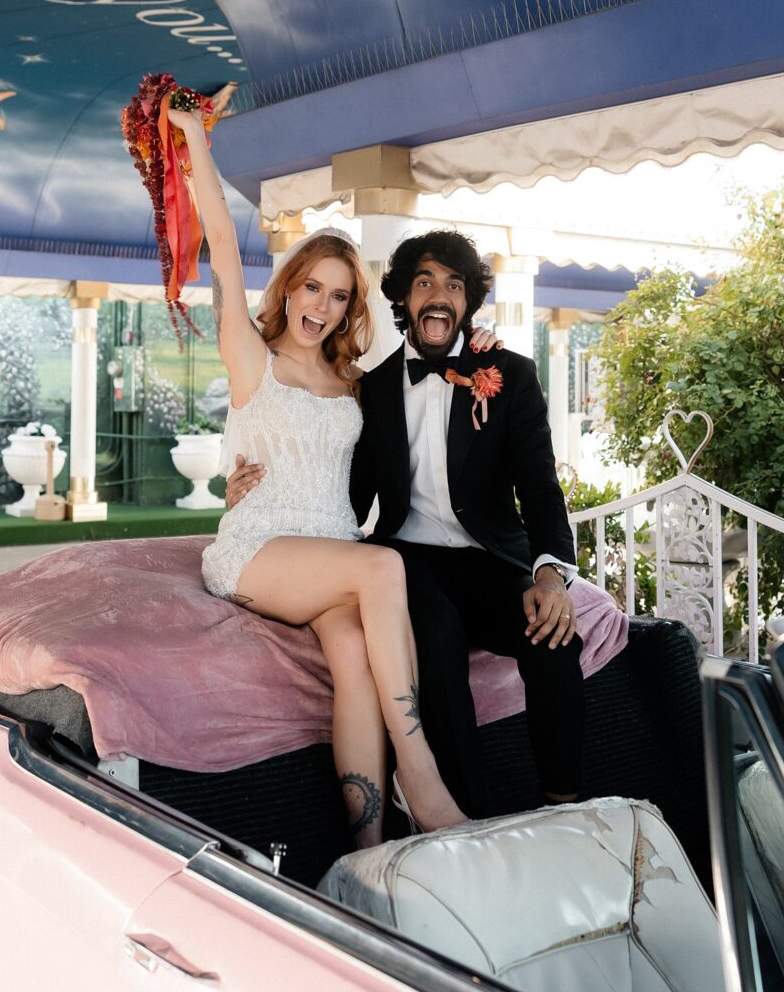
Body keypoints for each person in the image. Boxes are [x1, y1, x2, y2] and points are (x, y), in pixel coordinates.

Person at [170, 98, 501, 846]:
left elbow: (429, 367)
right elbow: (222, 247)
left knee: (353, 648)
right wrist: (194, 139)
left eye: (340, 294)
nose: (323, 304)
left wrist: (478, 347)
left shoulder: (353, 381)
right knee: (383, 568)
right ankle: (421, 777)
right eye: (312, 287)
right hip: (259, 547)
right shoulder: (251, 359)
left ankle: (368, 847)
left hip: (328, 554)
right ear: (288, 287)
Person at [228, 229, 583, 819]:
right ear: (403, 300)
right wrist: (244, 493)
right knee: (436, 640)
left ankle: (567, 810)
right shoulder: (370, 390)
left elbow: (542, 490)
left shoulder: (510, 375)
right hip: (410, 560)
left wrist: (550, 574)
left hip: (492, 559)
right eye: (424, 283)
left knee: (553, 641)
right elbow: (333, 485)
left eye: (453, 284)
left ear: (469, 301)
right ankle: (460, 820)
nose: (438, 295)